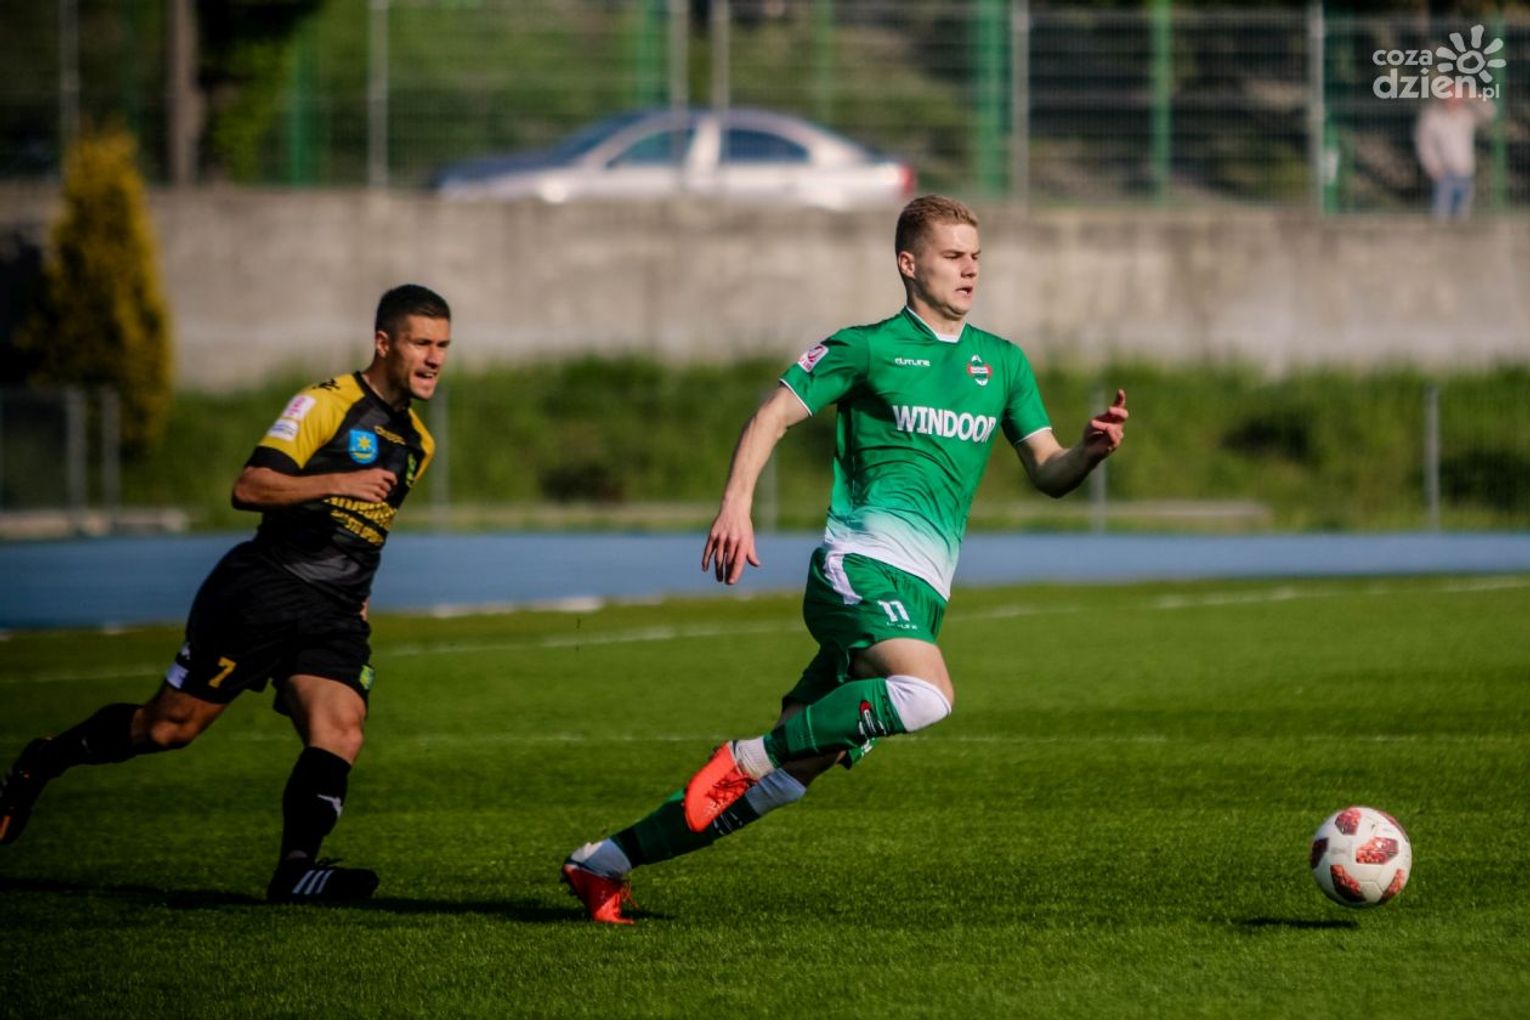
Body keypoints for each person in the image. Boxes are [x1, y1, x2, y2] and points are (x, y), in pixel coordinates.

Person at [561, 195, 1128, 924]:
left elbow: (1048, 471)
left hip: (921, 596)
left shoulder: (1004, 363)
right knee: (926, 695)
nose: (970, 270)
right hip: (858, 570)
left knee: (794, 774)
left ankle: (604, 863)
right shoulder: (865, 348)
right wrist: (735, 504)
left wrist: (1089, 452)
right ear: (908, 263)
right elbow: (772, 414)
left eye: (976, 257)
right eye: (953, 256)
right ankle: (748, 754)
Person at [0, 284, 451, 903]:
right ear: (384, 342)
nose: (434, 358)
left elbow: (367, 530)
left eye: (443, 345)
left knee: (341, 728)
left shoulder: (418, 443)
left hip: (334, 612)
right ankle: (44, 760)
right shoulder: (325, 403)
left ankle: (295, 871)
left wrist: (359, 594)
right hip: (262, 592)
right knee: (169, 729)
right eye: (421, 343)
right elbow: (250, 486)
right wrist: (337, 481)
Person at [1414, 82, 1495, 221]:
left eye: (1456, 95)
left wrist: (1475, 95)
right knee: (1441, 217)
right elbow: (1424, 144)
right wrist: (1433, 167)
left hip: (1465, 172)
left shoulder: (1467, 115)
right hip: (1443, 175)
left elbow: (1491, 112)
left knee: (1462, 217)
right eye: (1449, 95)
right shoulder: (1432, 116)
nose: (1452, 99)